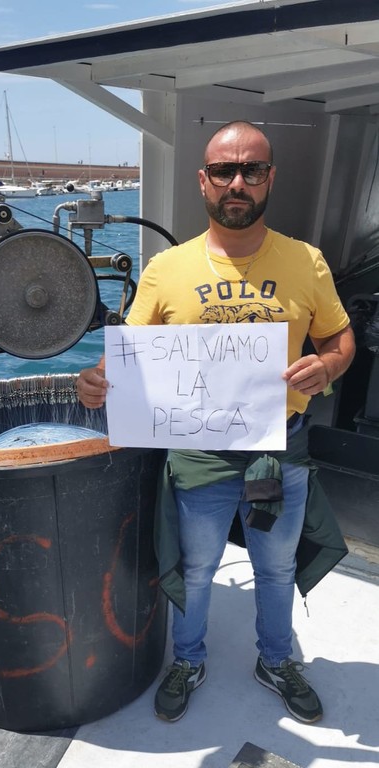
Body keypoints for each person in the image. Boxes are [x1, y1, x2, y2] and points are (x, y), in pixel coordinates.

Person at [75, 121, 355, 725]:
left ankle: (275, 661)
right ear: (203, 181)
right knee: (196, 568)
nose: (237, 183)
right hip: (198, 457)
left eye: (252, 170)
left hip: (277, 452)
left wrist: (328, 364)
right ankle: (188, 659)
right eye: (225, 170)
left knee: (275, 568)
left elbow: (339, 337)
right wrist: (94, 380)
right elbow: (128, 356)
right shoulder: (166, 269)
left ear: (269, 179)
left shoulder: (306, 261)